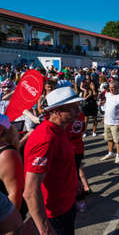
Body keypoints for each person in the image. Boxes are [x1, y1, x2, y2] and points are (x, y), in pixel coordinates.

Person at [23, 87, 83, 235]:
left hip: (66, 205)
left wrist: (76, 182)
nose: (78, 112)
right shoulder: (46, 139)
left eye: (78, 107)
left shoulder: (60, 129)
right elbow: (30, 192)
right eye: (73, 108)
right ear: (56, 111)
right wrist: (45, 229)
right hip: (55, 214)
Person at [100, 79, 119, 164]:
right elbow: (107, 107)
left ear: (118, 88)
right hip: (107, 121)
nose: (111, 89)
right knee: (109, 139)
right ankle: (110, 153)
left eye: (113, 88)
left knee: (117, 140)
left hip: (116, 123)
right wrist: (104, 118)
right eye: (110, 87)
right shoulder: (108, 95)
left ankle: (118, 155)